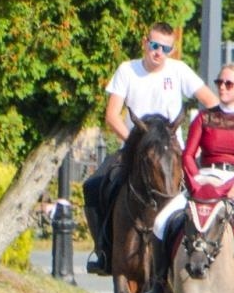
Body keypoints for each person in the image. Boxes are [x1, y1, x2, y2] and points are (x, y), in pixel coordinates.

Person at [140, 60, 234, 293]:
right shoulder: (204, 117)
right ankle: (159, 283)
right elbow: (189, 154)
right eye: (219, 83)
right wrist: (195, 180)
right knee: (160, 222)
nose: (222, 88)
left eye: (228, 83)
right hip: (204, 179)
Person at [82, 22, 219, 274]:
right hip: (135, 148)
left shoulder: (179, 71)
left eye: (165, 48)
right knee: (93, 186)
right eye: (155, 45)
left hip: (171, 152)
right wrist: (133, 141)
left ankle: (199, 254)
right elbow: (112, 115)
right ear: (146, 43)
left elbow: (212, 104)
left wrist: (194, 145)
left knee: (203, 193)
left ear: (172, 50)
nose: (158, 52)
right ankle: (104, 250)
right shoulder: (127, 70)